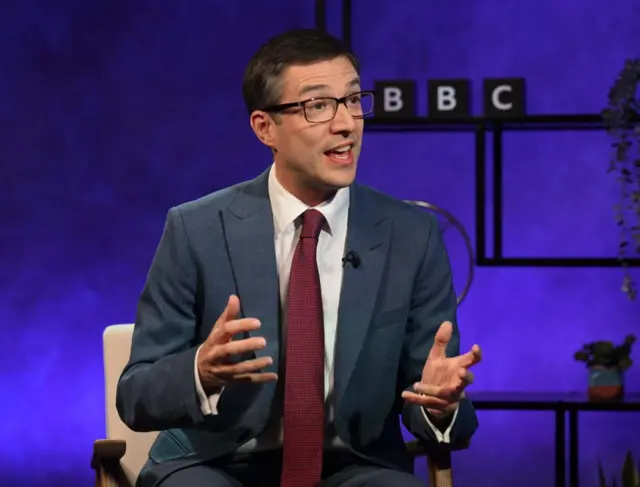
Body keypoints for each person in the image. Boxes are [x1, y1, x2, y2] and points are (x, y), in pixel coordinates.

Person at [116, 28, 482, 487]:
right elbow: (135, 393)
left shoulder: (412, 235)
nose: (347, 123)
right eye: (318, 106)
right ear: (265, 127)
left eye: (353, 100)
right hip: (215, 463)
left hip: (354, 466)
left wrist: (440, 403)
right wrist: (200, 372)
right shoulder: (197, 228)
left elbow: (438, 401)